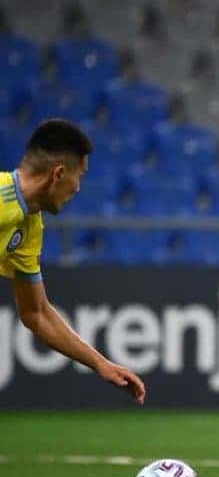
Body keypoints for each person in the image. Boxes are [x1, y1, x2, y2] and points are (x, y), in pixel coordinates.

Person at [2, 119, 146, 405]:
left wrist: (100, 363)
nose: (78, 188)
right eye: (79, 176)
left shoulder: (30, 224)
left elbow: (36, 313)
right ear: (58, 174)